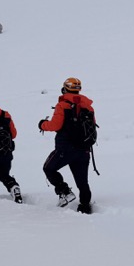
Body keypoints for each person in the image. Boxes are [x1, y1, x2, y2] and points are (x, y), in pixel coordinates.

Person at [39, 77, 97, 214]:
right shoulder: (88, 106)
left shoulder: (63, 105)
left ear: (65, 88)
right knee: (82, 181)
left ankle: (64, 192)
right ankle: (85, 206)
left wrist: (42, 124)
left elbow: (55, 125)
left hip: (65, 149)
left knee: (48, 168)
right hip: (84, 150)